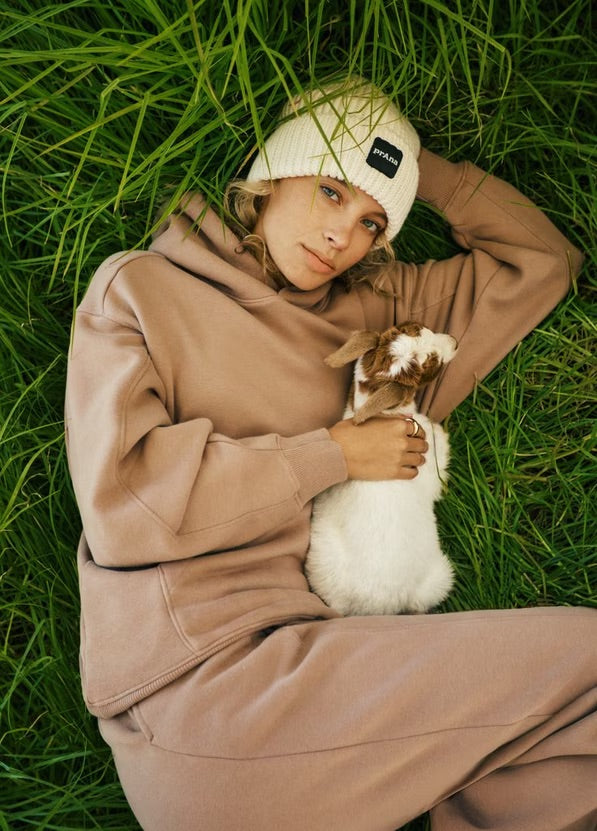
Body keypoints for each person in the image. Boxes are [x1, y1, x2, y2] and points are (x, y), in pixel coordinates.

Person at [64, 78, 596, 830]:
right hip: (204, 694)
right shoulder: (143, 290)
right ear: (271, 173)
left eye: (373, 219)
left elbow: (539, 262)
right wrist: (333, 455)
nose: (343, 233)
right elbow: (128, 504)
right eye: (329, 190)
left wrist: (408, 165)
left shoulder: (374, 312)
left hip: (315, 674)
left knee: (558, 772)